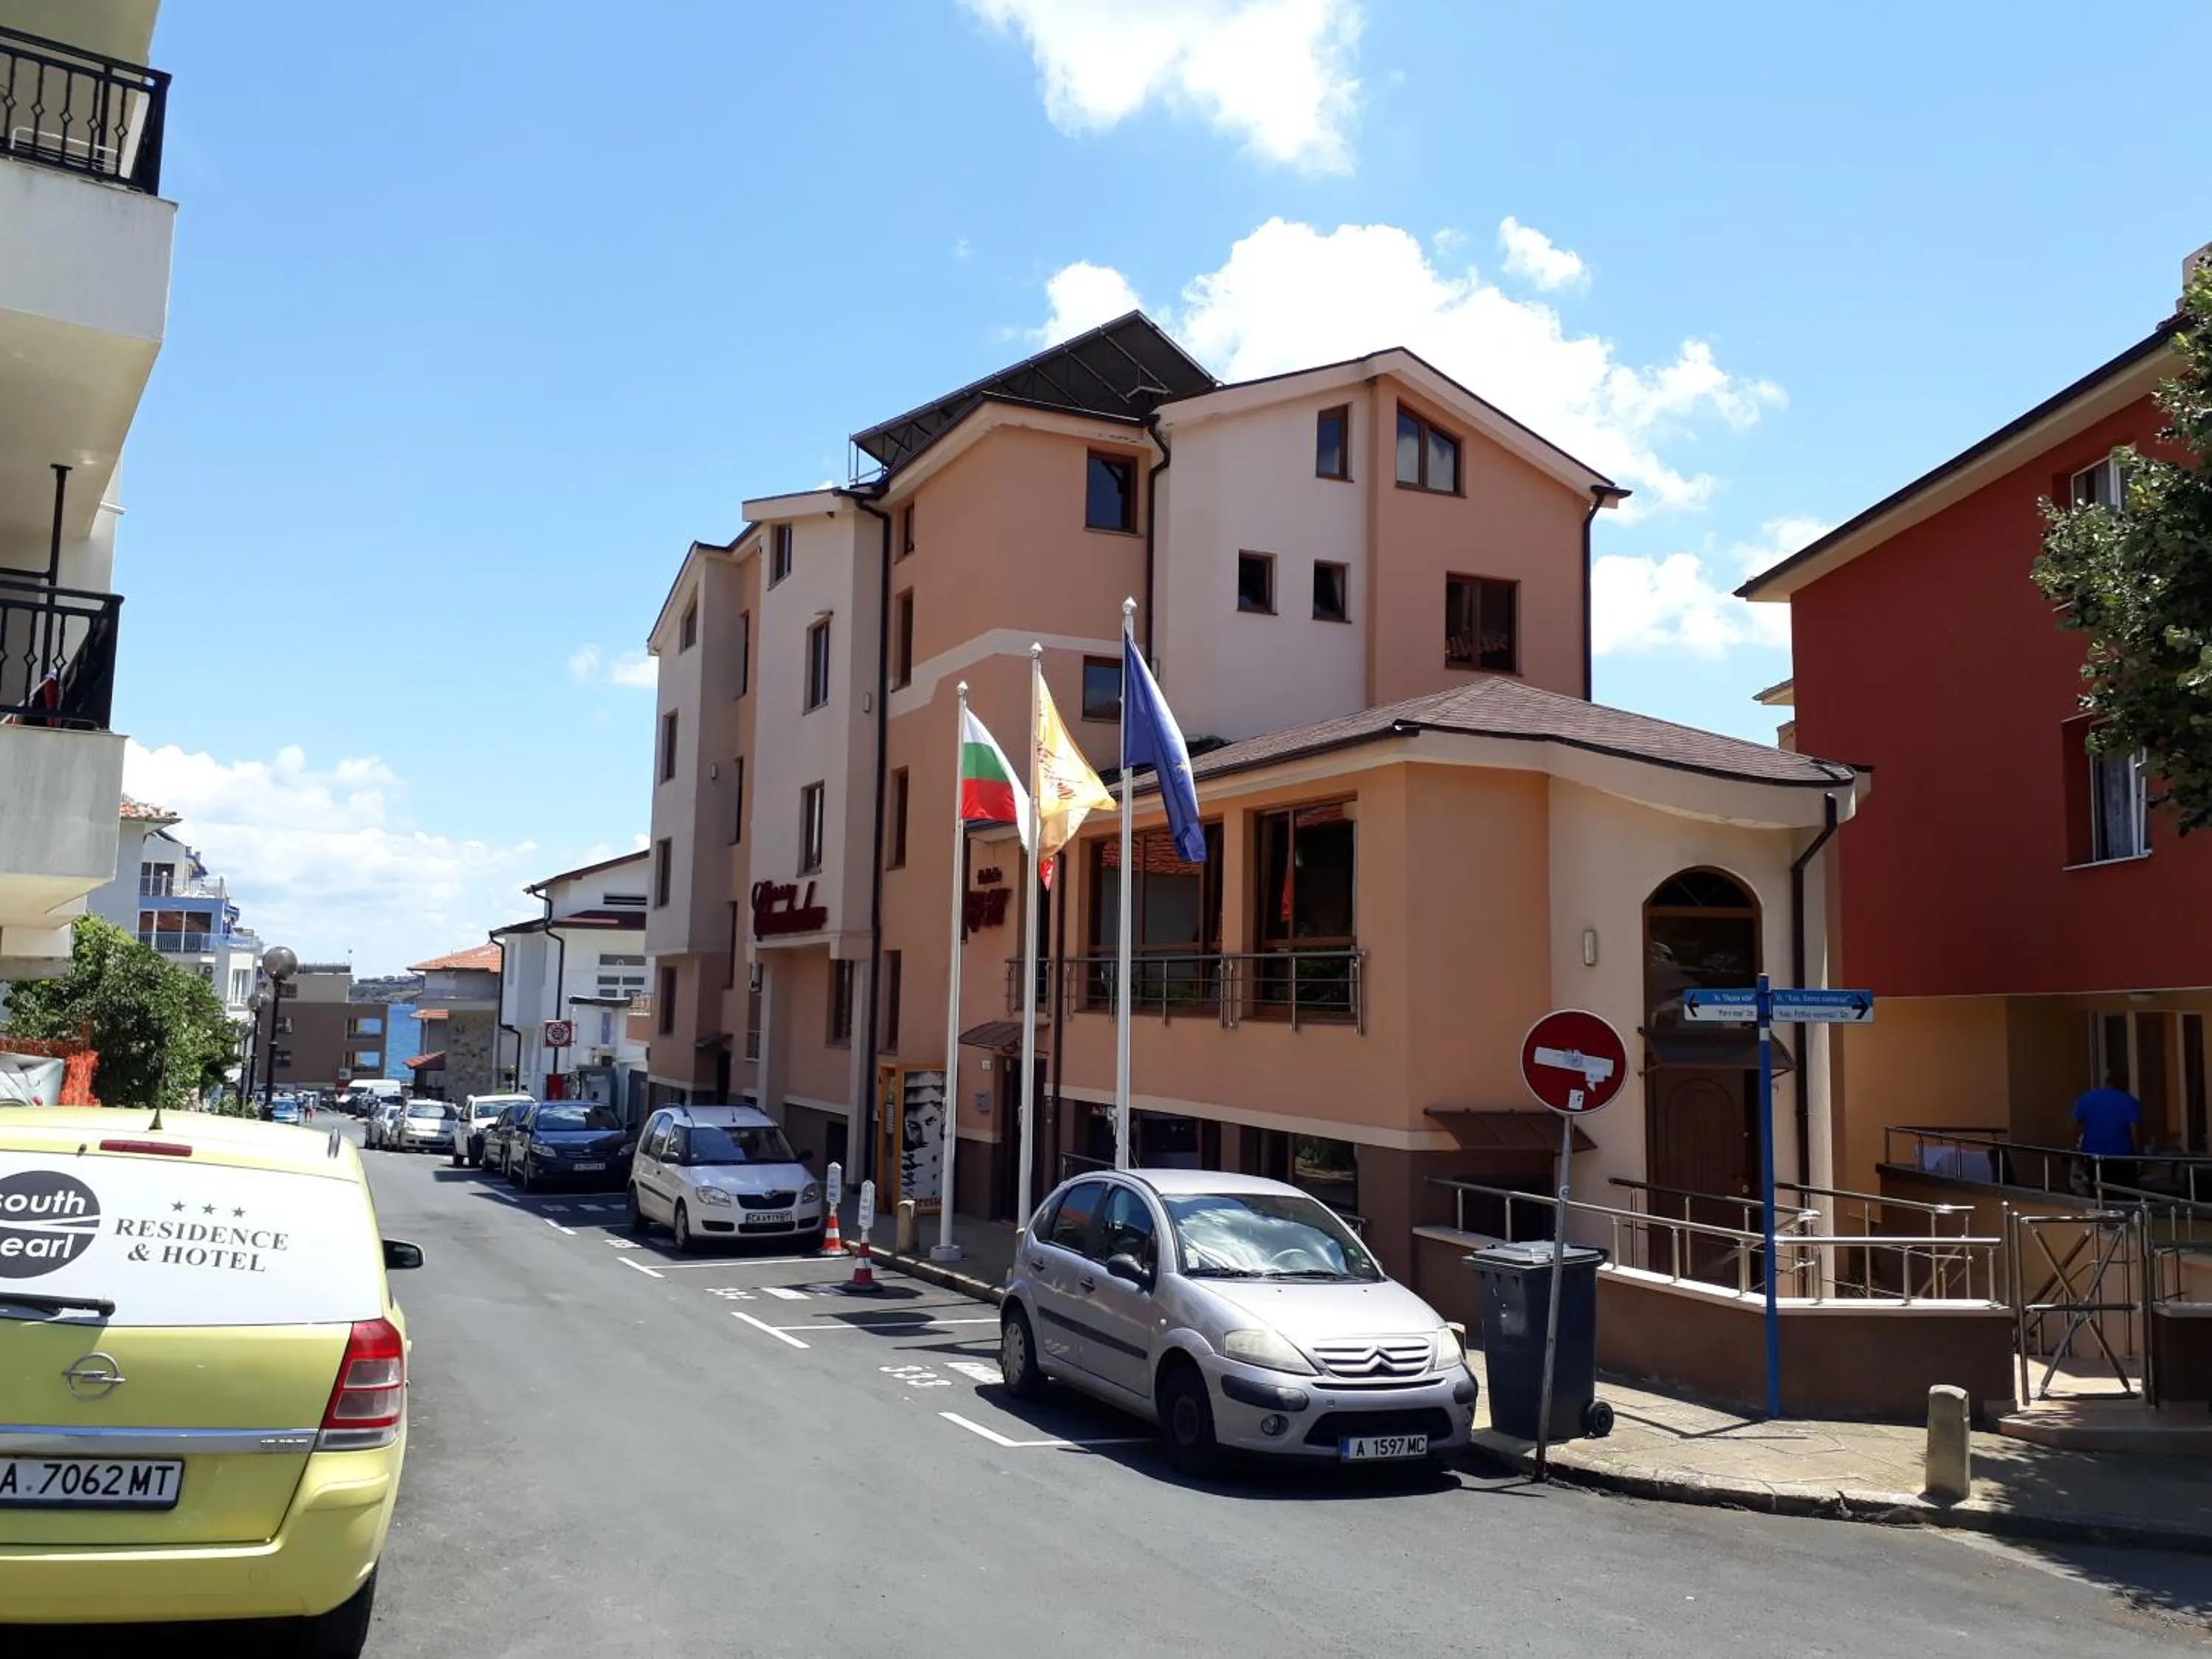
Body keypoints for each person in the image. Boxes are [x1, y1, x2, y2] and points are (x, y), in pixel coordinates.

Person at [2072, 1071, 2142, 1189]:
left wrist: (2076, 1153)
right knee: (2123, 1194)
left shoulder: (2088, 1098)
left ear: (2106, 1082)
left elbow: (2074, 1127)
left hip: (2093, 1157)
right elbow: (2134, 1132)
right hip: (2121, 1158)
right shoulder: (2129, 1101)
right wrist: (2138, 1157)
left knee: (2097, 1193)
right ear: (2124, 1084)